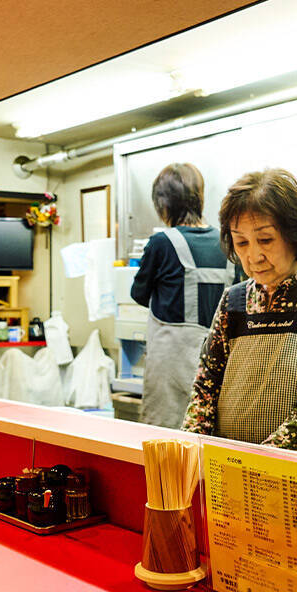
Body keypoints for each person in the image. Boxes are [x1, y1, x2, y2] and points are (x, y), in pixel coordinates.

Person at [182, 169, 297, 456]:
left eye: (265, 240)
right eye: (241, 243)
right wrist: (189, 452)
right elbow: (204, 390)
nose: (253, 256)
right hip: (229, 470)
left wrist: (258, 463)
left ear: (294, 235)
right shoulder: (233, 301)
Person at [130, 162, 234, 428]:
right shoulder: (228, 242)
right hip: (221, 363)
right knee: (210, 440)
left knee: (165, 445)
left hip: (169, 364)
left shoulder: (161, 243)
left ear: (163, 205)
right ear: (199, 198)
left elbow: (139, 294)